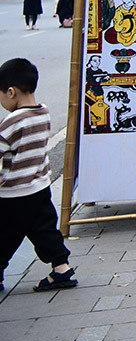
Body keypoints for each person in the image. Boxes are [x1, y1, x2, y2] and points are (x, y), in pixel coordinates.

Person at [0, 57, 75, 293]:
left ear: (11, 92)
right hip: (39, 187)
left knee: (5, 235)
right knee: (44, 230)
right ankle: (61, 268)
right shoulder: (43, 112)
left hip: (13, 192)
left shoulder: (12, 121)